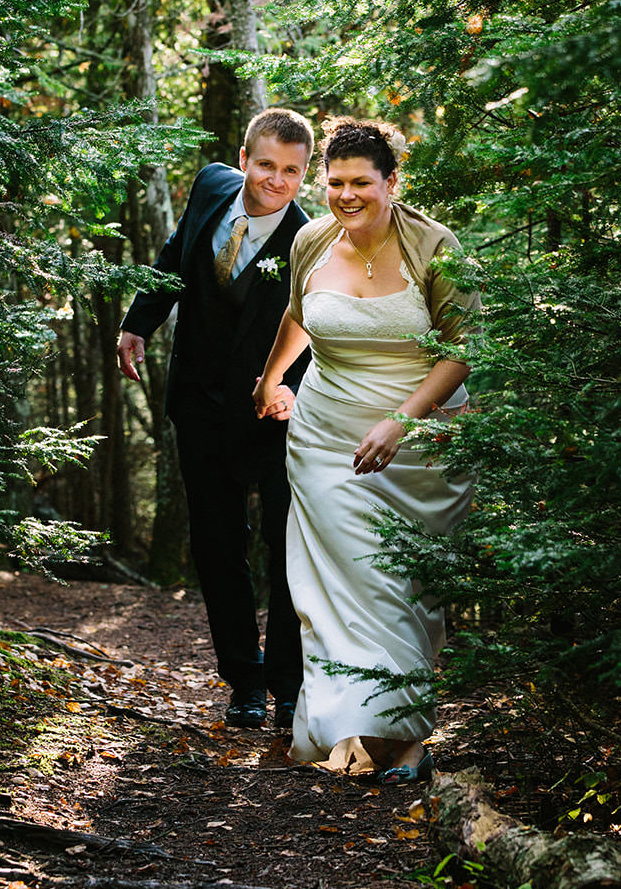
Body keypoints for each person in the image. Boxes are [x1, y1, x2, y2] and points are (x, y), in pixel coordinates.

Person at [252, 117, 478, 783]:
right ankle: (356, 731)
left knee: (400, 587)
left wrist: (400, 423)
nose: (345, 195)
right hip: (324, 437)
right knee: (340, 583)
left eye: (360, 183)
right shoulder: (310, 240)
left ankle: (403, 736)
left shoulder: (435, 245)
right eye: (334, 183)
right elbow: (299, 315)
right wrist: (270, 377)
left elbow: (461, 349)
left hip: (420, 440)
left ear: (392, 182)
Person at [117, 107, 315, 731]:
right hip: (199, 403)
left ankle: (288, 683)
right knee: (215, 544)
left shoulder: (312, 242)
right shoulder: (210, 187)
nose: (276, 181)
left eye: (292, 171)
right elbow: (176, 255)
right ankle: (244, 680)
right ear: (242, 160)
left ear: (305, 174)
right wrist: (137, 321)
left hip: (276, 411)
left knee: (286, 548)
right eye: (266, 165)